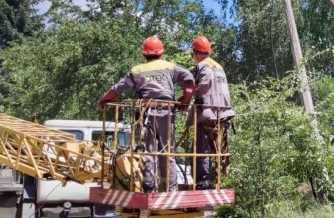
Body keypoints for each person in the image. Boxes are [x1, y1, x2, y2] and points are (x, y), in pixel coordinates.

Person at [97, 36, 195, 192]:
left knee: (149, 152)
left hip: (147, 114)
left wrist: (103, 100)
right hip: (167, 113)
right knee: (168, 153)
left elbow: (117, 88)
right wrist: (186, 99)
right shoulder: (170, 67)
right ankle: (171, 189)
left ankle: (150, 188)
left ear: (144, 54)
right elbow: (189, 80)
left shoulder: (137, 70)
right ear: (161, 53)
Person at [189, 36, 235, 190]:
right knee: (219, 148)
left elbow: (204, 84)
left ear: (195, 52)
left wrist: (188, 94)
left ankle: (203, 182)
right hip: (222, 112)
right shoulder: (218, 66)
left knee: (202, 148)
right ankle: (222, 178)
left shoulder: (203, 66)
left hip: (208, 112)